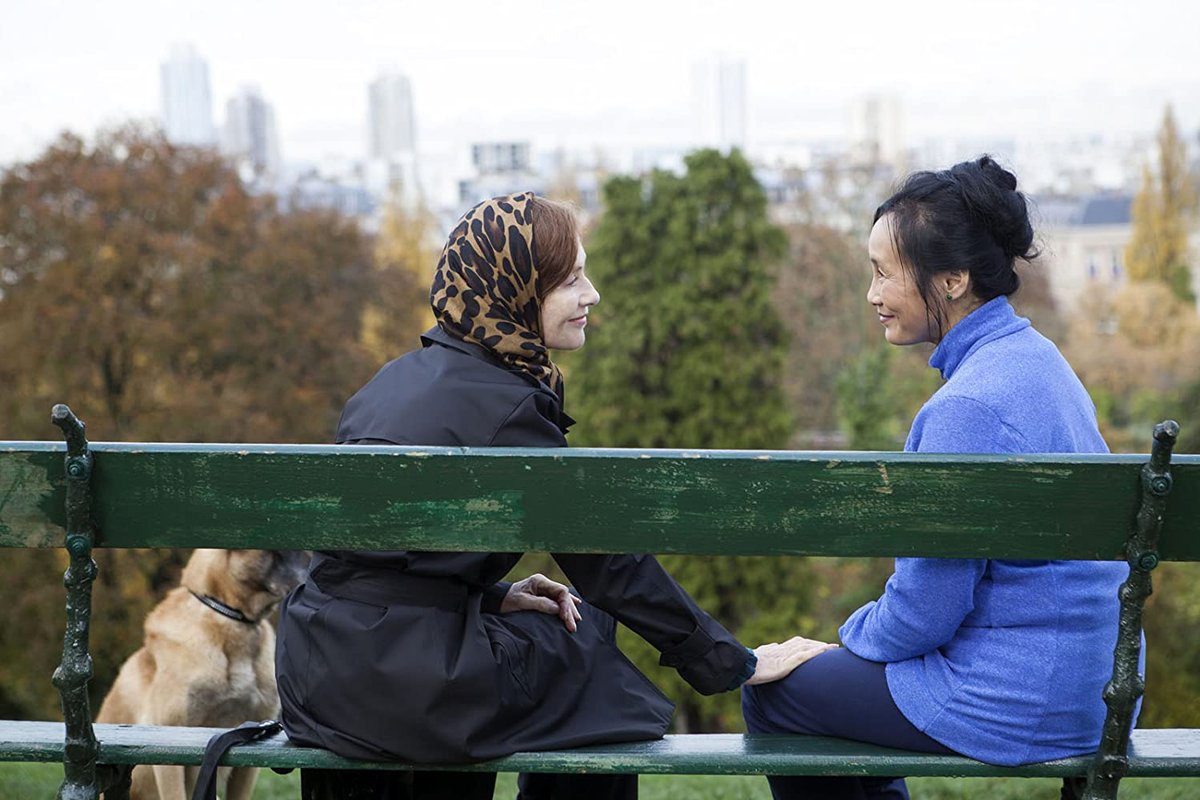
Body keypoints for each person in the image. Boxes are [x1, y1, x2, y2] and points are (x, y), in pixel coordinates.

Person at [275, 192, 829, 800]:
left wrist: (490, 595)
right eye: (569, 281)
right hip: (405, 684)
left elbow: (369, 559)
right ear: (512, 290)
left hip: (316, 669)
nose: (591, 295)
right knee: (600, 670)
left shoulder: (388, 383)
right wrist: (732, 661)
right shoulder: (511, 407)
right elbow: (609, 566)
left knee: (556, 644)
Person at [741, 156, 1138, 800]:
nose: (871, 294)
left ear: (952, 280)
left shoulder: (966, 409)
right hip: (1095, 685)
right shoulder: (1038, 360)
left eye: (882, 274)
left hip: (1019, 695)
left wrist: (837, 644)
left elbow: (924, 616)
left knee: (776, 693)